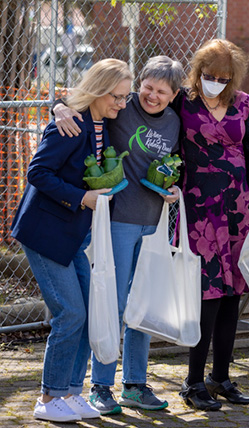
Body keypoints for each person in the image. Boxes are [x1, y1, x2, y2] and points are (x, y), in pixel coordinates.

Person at [53, 56, 184, 415]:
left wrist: (174, 188)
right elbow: (82, 100)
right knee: (115, 303)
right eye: (148, 87)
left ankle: (135, 385)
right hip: (119, 221)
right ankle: (101, 386)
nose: (151, 96)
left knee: (143, 304)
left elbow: (175, 165)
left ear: (174, 95)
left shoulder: (176, 121)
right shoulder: (121, 110)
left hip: (153, 222)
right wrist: (57, 107)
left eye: (161, 91)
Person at [11, 58, 132, 422]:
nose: (121, 105)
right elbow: (38, 172)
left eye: (126, 98)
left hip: (73, 236)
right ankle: (48, 397)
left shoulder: (101, 123)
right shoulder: (70, 125)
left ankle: (70, 392)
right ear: (99, 89)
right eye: (117, 97)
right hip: (45, 233)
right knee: (71, 313)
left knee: (88, 315)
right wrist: (82, 198)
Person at [176, 39, 249, 411]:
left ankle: (221, 377)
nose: (215, 82)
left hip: (238, 210)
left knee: (231, 296)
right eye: (208, 76)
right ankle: (193, 382)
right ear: (197, 72)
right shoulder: (182, 102)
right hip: (199, 212)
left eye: (223, 78)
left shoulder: (243, 103)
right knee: (206, 297)